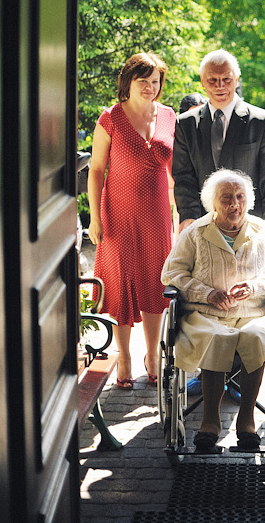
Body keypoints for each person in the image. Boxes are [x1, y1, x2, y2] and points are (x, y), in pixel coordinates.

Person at [161, 169, 265, 453]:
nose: (235, 204)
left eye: (240, 197)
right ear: (213, 203)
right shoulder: (195, 232)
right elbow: (171, 273)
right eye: (227, 198)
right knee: (217, 337)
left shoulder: (263, 231)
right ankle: (210, 422)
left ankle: (246, 421)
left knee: (255, 338)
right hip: (204, 314)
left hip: (252, 312)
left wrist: (257, 286)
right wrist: (206, 293)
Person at [87, 52, 176, 389]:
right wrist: (95, 218)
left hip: (156, 214)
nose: (151, 87)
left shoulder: (169, 117)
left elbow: (175, 175)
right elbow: (96, 171)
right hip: (118, 212)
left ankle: (152, 354)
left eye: (156, 82)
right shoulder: (110, 118)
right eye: (144, 81)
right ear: (128, 82)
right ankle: (123, 354)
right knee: (122, 283)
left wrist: (183, 217)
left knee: (156, 282)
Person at [172, 49, 265, 233]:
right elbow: (184, 178)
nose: (220, 86)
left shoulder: (261, 122)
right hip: (203, 228)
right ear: (202, 81)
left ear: (237, 79)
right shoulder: (185, 124)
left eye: (226, 79)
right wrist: (189, 219)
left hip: (249, 228)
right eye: (212, 80)